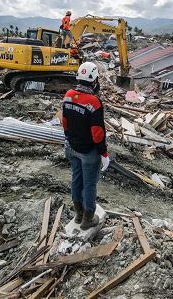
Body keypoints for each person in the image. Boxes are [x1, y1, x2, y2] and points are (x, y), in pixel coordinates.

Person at [62, 62, 109, 230]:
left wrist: (70, 138)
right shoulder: (94, 102)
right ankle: (88, 219)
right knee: (89, 184)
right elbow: (97, 132)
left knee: (76, 179)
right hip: (89, 152)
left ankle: (78, 214)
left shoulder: (68, 95)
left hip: (72, 147)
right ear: (94, 81)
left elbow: (65, 122)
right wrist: (103, 152)